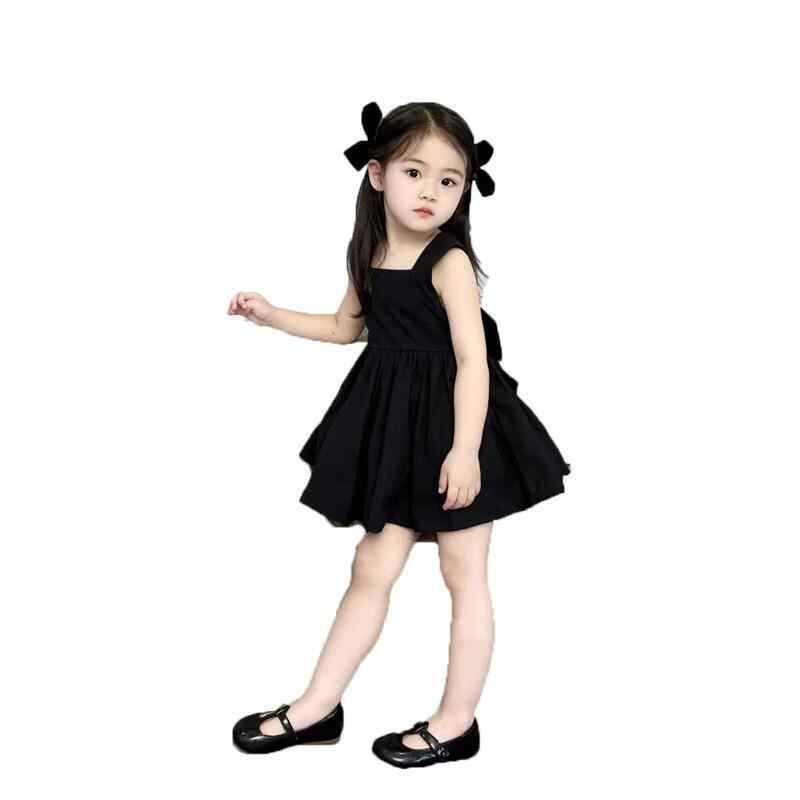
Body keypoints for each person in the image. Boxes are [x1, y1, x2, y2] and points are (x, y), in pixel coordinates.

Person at [227, 100, 571, 768]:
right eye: (415, 173)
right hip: (394, 428)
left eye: (448, 179)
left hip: (459, 428)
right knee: (372, 565)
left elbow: (473, 361)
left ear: (465, 190)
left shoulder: (450, 262)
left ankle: (456, 721)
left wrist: (465, 451)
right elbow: (344, 328)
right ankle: (317, 707)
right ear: (379, 174)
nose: (430, 191)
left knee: (463, 570)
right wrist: (271, 315)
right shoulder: (370, 252)